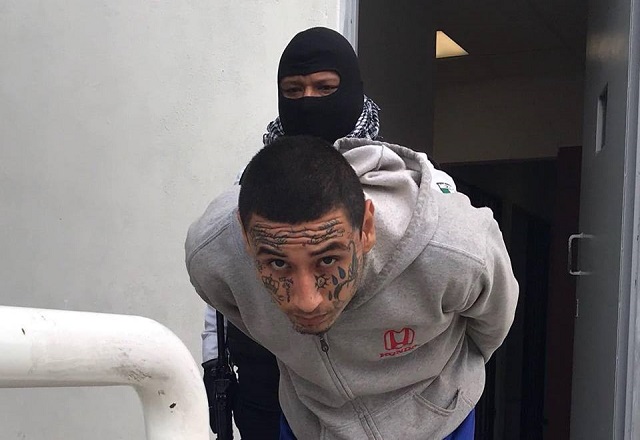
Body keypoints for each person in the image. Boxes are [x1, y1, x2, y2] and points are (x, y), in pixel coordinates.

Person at [200, 26, 457, 439]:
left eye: (324, 87)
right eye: (294, 89)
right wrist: (214, 357)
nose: (308, 101)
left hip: (373, 385)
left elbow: (472, 287)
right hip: (270, 376)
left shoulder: (412, 182)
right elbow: (224, 278)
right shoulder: (251, 181)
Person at [186, 135, 519, 439]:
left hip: (437, 425)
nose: (306, 301)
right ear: (245, 237)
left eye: (328, 259)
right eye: (278, 263)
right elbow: (237, 309)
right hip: (311, 424)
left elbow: (491, 326)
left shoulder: (456, 250)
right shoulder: (212, 253)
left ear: (366, 228)